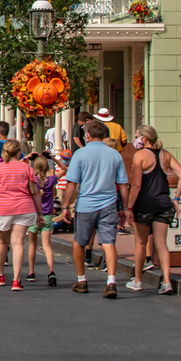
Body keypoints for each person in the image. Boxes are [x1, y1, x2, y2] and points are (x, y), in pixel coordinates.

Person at [61, 119, 130, 299]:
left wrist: (66, 206)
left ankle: (81, 279)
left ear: (88, 136)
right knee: (108, 242)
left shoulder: (80, 154)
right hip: (108, 204)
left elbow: (72, 182)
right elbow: (123, 184)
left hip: (86, 204)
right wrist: (125, 207)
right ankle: (111, 281)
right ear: (105, 135)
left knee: (79, 242)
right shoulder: (115, 155)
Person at [126, 124, 181, 295]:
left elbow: (136, 185)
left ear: (144, 138)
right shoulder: (165, 154)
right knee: (161, 243)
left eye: (137, 136)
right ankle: (166, 281)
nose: (136, 139)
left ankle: (137, 281)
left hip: (144, 204)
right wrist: (176, 198)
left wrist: (129, 207)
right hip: (164, 203)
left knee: (140, 243)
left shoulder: (140, 156)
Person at [0, 140, 44, 291]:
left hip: (2, 209)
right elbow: (35, 193)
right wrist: (40, 213)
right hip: (24, 208)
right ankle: (16, 280)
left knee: (2, 242)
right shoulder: (27, 168)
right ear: (19, 152)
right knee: (18, 242)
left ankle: (0, 274)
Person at [26, 153, 58, 286]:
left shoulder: (32, 181)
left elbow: (19, 166)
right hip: (47, 216)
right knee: (47, 246)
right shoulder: (50, 181)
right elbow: (65, 169)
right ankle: (51, 271)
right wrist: (53, 159)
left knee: (32, 244)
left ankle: (31, 272)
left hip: (34, 215)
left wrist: (26, 158)